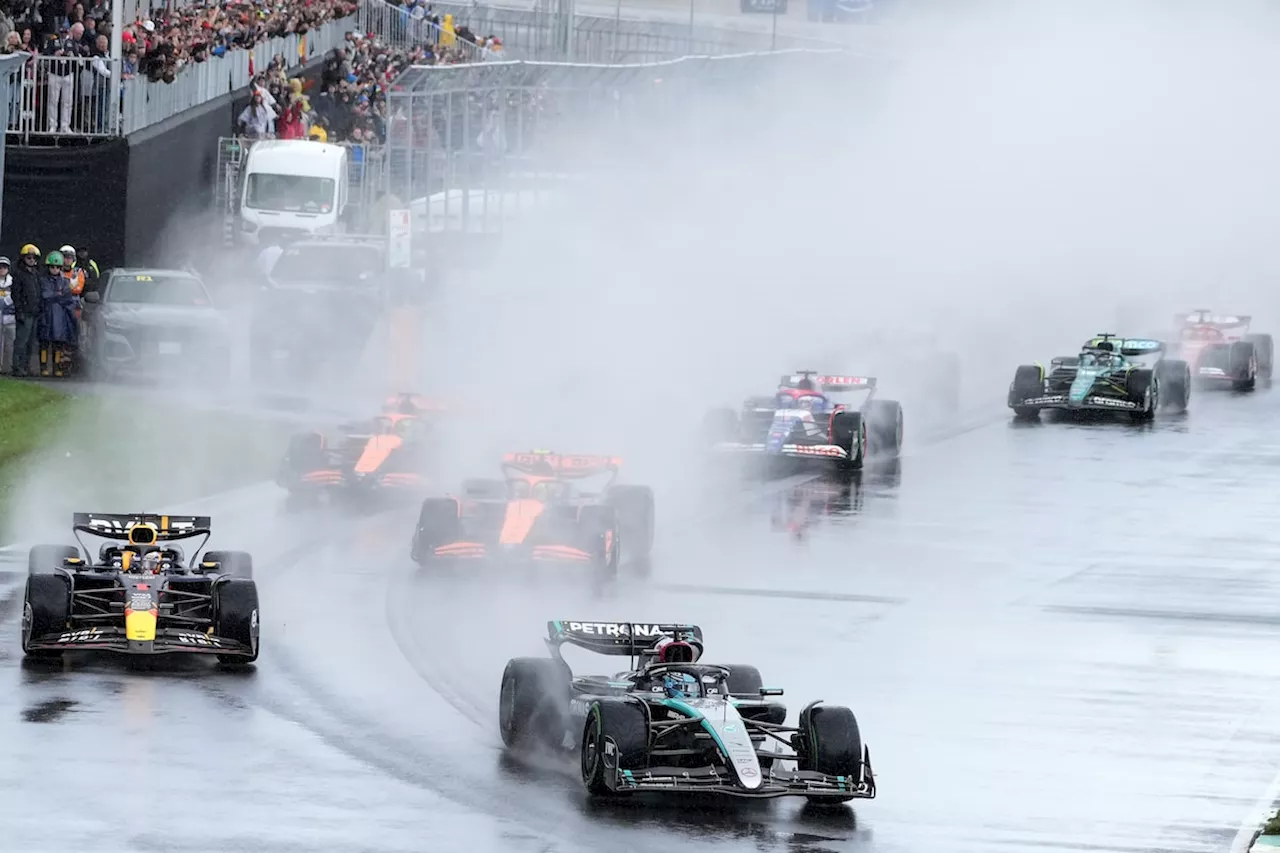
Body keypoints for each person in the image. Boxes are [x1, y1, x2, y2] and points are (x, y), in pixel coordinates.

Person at [38, 250, 77, 377]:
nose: (54, 269)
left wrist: (55, 296)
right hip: (46, 314)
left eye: (57, 267)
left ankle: (57, 367)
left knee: (58, 344)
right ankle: (43, 367)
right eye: (52, 267)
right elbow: (44, 296)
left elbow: (67, 298)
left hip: (60, 316)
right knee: (44, 343)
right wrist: (57, 295)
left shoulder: (65, 281)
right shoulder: (43, 280)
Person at [11, 244, 42, 377]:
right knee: (21, 342)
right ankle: (17, 367)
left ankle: (27, 367)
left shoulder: (36, 274)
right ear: (23, 258)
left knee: (31, 343)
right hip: (24, 313)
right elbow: (16, 295)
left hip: (35, 313)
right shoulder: (19, 274)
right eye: (28, 257)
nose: (31, 260)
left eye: (33, 258)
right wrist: (20, 312)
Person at [0, 257, 12, 375]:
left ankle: (8, 369)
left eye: (4, 267)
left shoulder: (12, 281)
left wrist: (5, 302)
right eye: (0, 267)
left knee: (9, 344)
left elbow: (14, 297)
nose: (2, 269)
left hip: (9, 317)